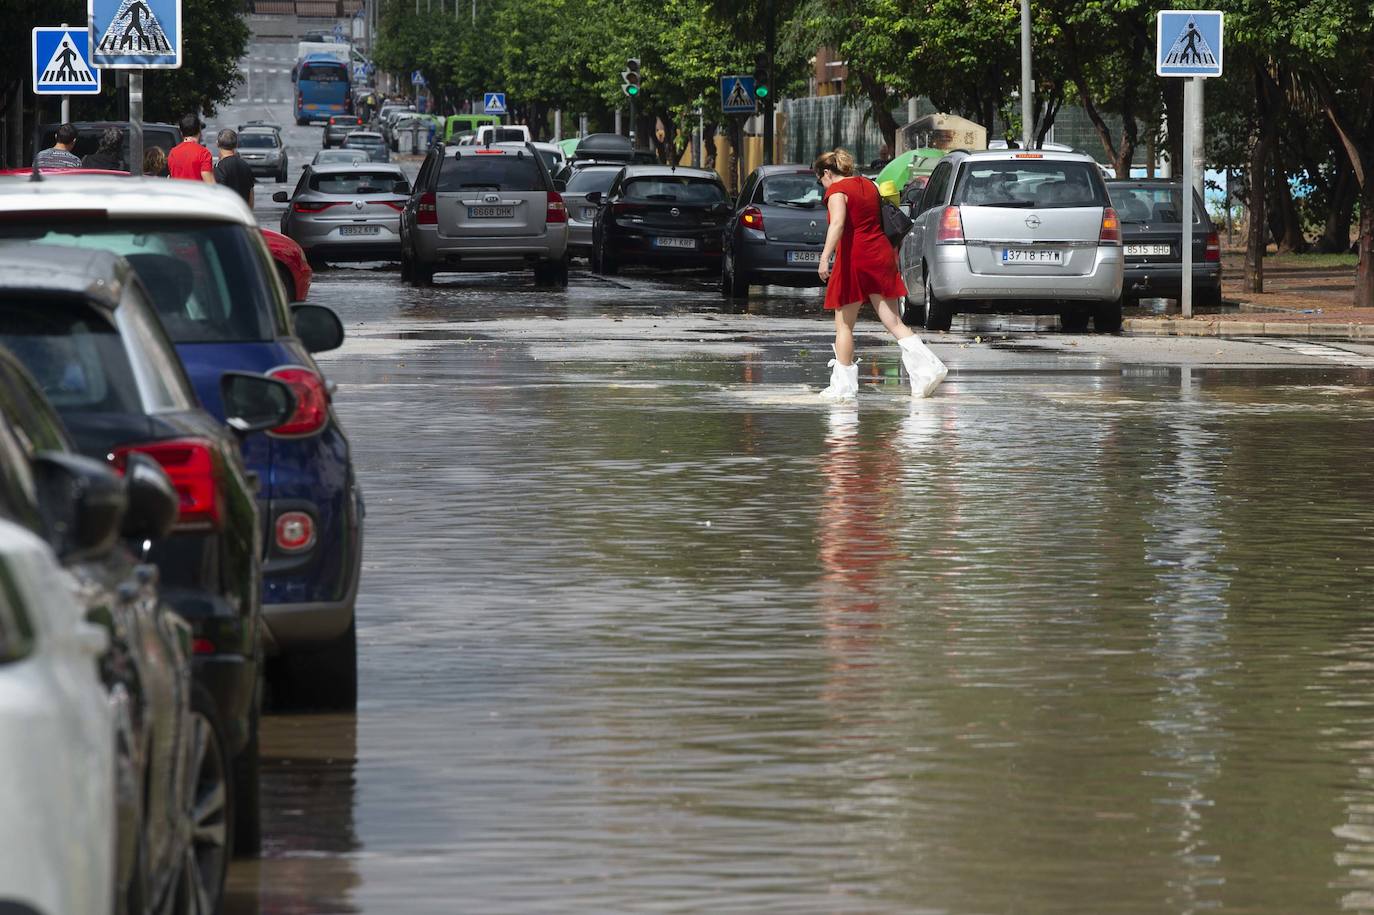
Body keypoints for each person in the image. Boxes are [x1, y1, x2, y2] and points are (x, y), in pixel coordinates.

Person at [814, 148, 946, 400]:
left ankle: (843, 387)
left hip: (854, 258)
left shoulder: (836, 191)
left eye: (820, 179)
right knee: (894, 322)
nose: (822, 185)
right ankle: (928, 368)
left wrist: (824, 257)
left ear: (827, 173)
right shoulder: (868, 185)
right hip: (881, 254)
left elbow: (838, 223)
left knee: (844, 325)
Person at [213, 128, 255, 207]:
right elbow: (251, 195)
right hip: (242, 212)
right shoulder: (245, 165)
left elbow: (219, 193)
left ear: (217, 144)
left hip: (227, 213)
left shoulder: (219, 167)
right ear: (236, 144)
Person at [167, 113, 213, 183]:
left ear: (181, 132)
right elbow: (210, 183)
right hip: (197, 193)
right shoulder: (204, 153)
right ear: (199, 130)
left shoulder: (173, 152)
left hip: (177, 192)